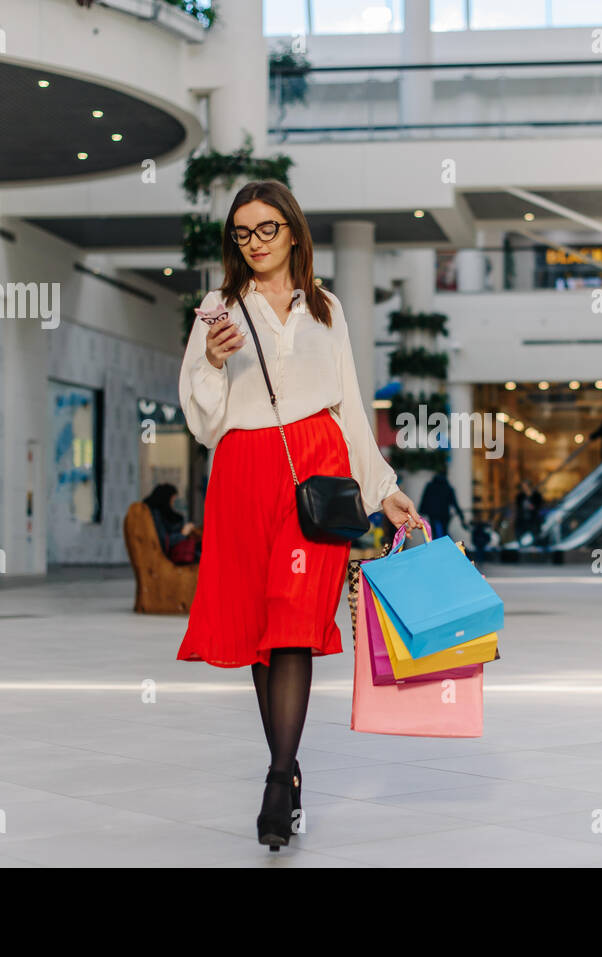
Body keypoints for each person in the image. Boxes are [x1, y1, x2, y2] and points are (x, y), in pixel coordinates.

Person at [175, 180, 421, 852]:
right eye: (243, 233)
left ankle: (278, 779)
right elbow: (199, 416)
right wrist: (217, 365)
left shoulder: (326, 307)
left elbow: (349, 402)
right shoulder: (217, 308)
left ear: (293, 231)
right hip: (243, 474)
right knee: (263, 627)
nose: (254, 243)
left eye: (267, 229)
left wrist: (383, 487)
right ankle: (287, 767)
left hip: (316, 474)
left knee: (291, 624)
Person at [144, 482, 201, 565]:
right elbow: (164, 541)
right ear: (166, 500)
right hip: (172, 557)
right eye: (172, 500)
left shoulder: (155, 514)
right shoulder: (154, 515)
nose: (172, 504)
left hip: (173, 553)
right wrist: (183, 533)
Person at [418, 470, 467, 540]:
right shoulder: (448, 488)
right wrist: (462, 518)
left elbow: (424, 499)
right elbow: (455, 504)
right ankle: (444, 548)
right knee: (443, 534)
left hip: (433, 515)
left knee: (436, 534)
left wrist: (421, 512)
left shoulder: (430, 486)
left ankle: (439, 548)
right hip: (444, 515)